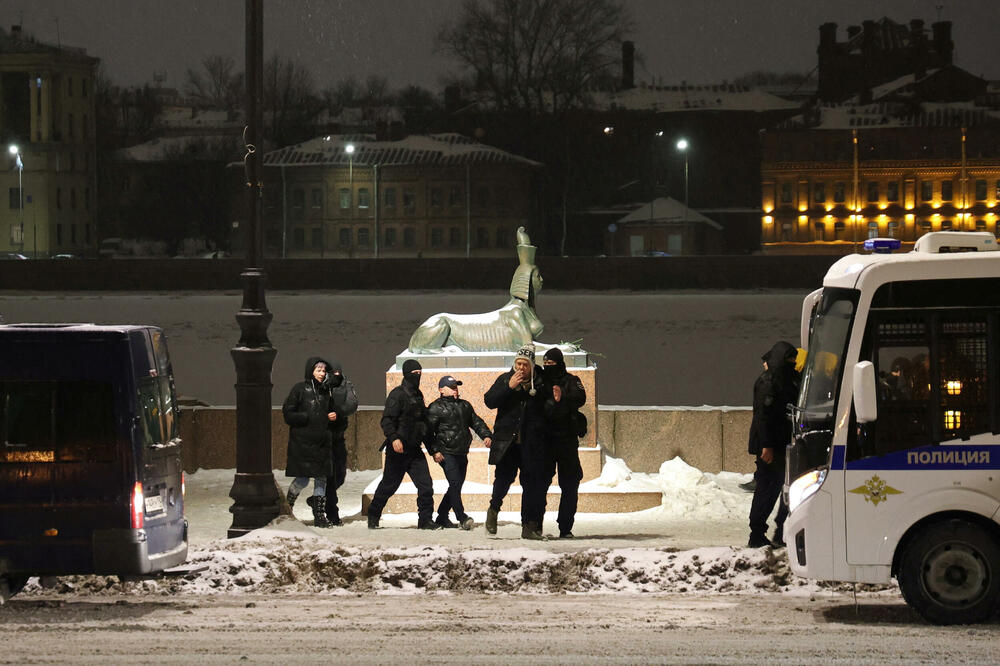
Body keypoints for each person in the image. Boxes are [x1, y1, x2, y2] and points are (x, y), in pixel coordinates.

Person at [484, 345, 548, 539]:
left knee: (530, 485)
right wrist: (508, 387)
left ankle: (527, 527)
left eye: (525, 364)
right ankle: (493, 509)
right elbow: (489, 400)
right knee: (503, 480)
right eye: (518, 363)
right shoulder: (505, 378)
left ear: (532, 366)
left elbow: (547, 408)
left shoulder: (541, 382)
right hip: (507, 444)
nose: (521, 368)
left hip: (531, 444)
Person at [367, 359, 440, 530]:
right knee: (388, 486)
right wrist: (394, 438)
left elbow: (424, 426)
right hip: (398, 450)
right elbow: (387, 420)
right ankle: (373, 514)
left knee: (426, 486)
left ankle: (425, 520)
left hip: (415, 450)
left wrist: (433, 450)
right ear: (407, 375)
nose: (418, 376)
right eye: (415, 374)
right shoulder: (397, 395)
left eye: (420, 373)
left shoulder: (418, 396)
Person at [747, 341, 801, 548]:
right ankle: (757, 533)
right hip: (770, 446)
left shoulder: (787, 380)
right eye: (789, 360)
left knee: (785, 488)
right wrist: (767, 446)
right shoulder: (769, 382)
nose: (792, 364)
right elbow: (763, 416)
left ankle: (780, 531)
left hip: (784, 443)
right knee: (768, 488)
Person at [426, 375, 493, 530]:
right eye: (452, 386)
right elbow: (428, 432)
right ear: (441, 390)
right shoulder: (435, 407)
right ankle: (461, 517)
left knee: (455, 486)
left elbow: (476, 422)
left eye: (456, 386)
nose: (455, 388)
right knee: (455, 483)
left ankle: (442, 516)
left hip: (462, 451)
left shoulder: (464, 405)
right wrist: (434, 451)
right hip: (446, 452)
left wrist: (486, 435)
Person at [283, 357, 338, 528]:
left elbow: (332, 411)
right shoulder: (300, 389)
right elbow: (288, 413)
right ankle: (286, 508)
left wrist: (332, 416)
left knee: (321, 479)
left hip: (321, 443)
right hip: (303, 443)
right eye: (318, 370)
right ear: (310, 371)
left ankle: (319, 516)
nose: (322, 374)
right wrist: (306, 417)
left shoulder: (326, 391)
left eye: (323, 371)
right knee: (302, 479)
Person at [540, 348, 586, 538]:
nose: (549, 367)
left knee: (570, 484)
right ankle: (535, 525)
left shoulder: (571, 380)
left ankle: (565, 527)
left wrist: (562, 397)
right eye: (546, 364)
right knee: (540, 484)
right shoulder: (541, 382)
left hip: (567, 440)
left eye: (552, 364)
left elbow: (580, 398)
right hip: (545, 441)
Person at [308, 358, 358, 526]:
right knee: (328, 479)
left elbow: (351, 404)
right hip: (324, 438)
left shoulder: (345, 384)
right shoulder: (321, 387)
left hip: (338, 437)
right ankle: (332, 514)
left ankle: (317, 500)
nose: (335, 376)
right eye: (332, 373)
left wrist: (338, 411)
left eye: (338, 373)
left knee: (340, 476)